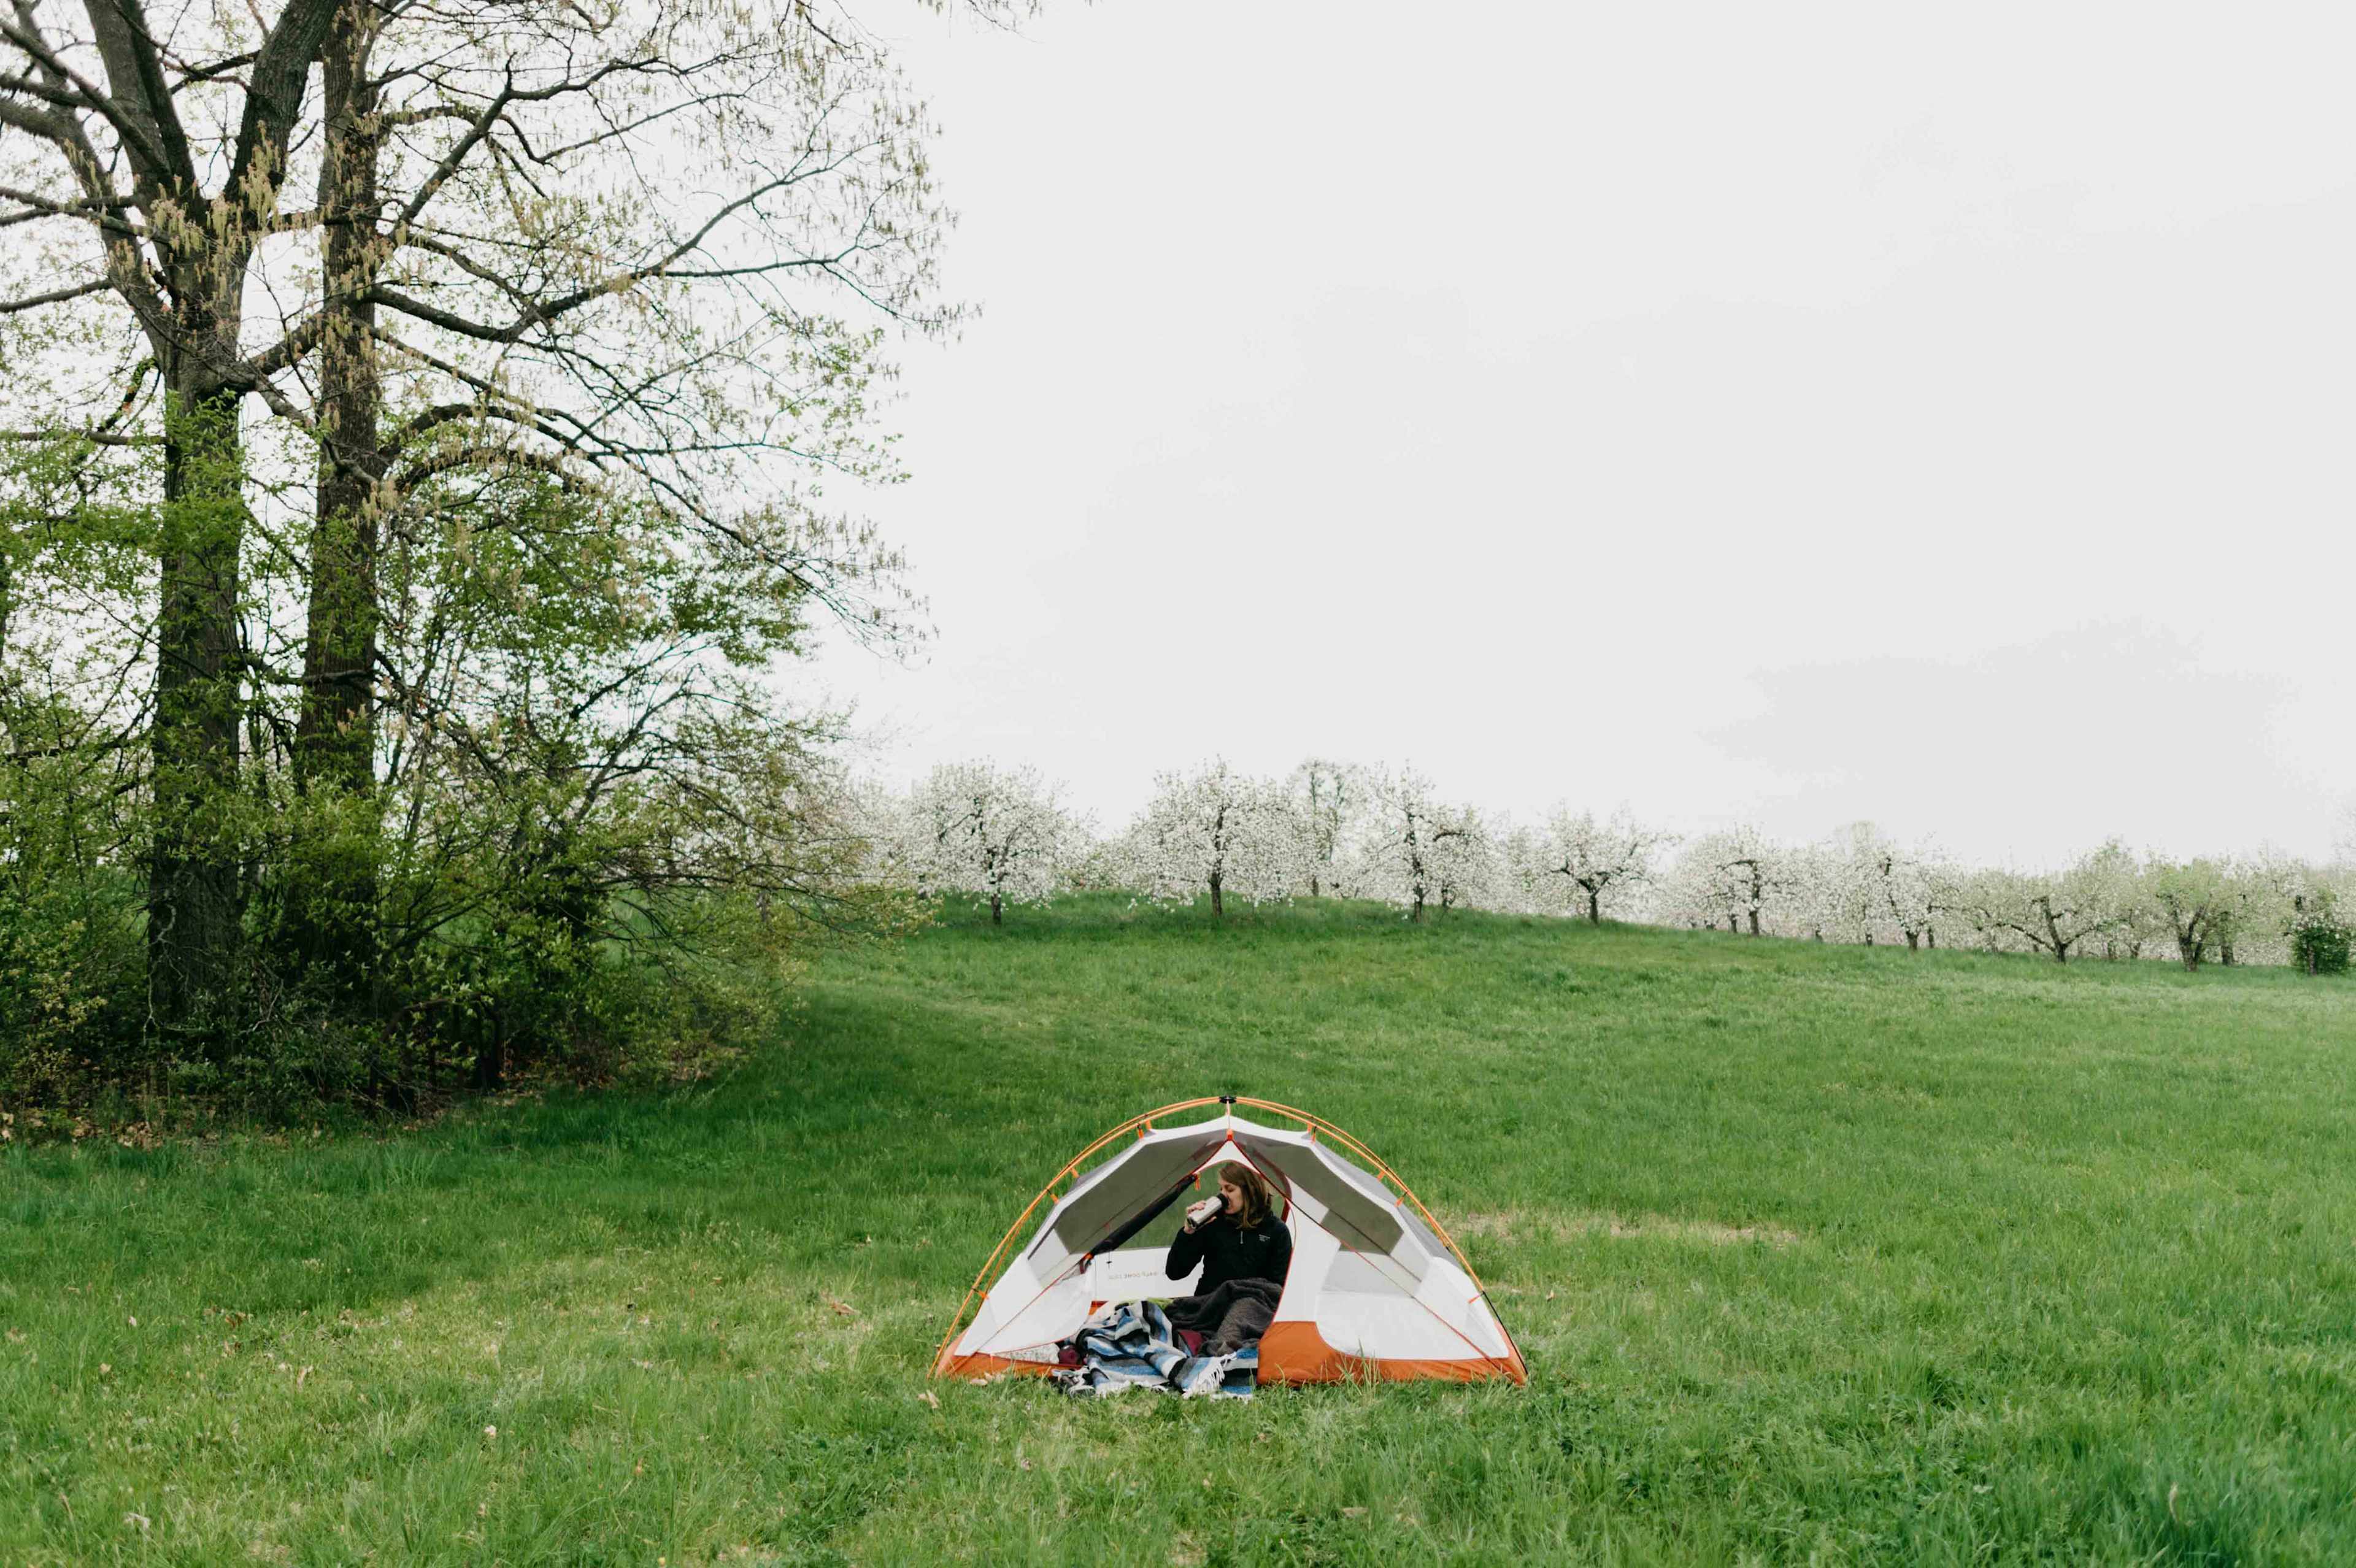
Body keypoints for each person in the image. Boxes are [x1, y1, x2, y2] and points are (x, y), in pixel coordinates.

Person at [1166, 1163, 1291, 1294]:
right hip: (1209, 1304)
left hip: (1252, 1306)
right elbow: (1175, 1273)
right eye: (1221, 1189)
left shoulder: (1276, 1230)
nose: (1223, 1195)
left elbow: (1277, 1288)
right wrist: (1189, 1232)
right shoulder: (1213, 1222)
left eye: (1229, 1190)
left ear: (1251, 1190)